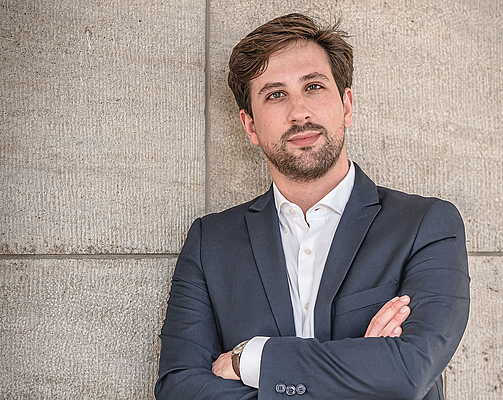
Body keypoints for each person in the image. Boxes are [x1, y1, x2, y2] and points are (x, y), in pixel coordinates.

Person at [155, 13, 469, 400]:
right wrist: (365, 370)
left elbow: (408, 371)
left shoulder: (426, 226)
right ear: (250, 126)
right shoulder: (211, 242)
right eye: (275, 94)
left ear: (346, 105)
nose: (299, 112)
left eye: (314, 87)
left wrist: (249, 360)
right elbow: (179, 387)